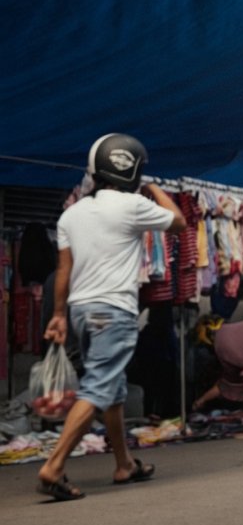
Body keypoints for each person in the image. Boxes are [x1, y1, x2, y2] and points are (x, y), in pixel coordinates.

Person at [38, 133, 186, 501]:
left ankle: (124, 464)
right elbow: (179, 222)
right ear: (131, 169)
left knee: (112, 389)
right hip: (113, 309)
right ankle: (53, 467)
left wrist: (58, 315)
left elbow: (63, 269)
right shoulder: (133, 204)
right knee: (99, 387)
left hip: (80, 311)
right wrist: (154, 188)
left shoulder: (71, 214)